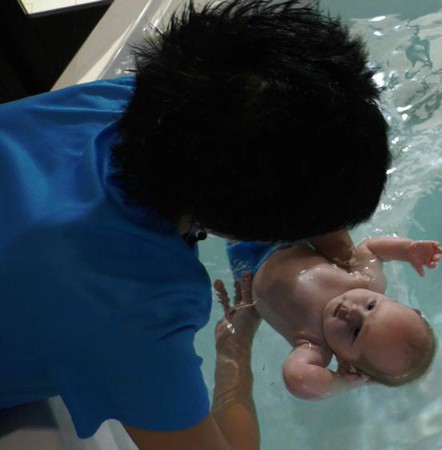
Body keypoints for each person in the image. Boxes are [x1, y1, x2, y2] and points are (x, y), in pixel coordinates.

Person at [0, 1, 391, 449]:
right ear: (251, 231)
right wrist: (235, 349)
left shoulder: (125, 103)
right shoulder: (138, 306)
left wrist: (340, 249)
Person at [218, 231, 442, 399]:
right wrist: (406, 249)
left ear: (348, 364)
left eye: (355, 332)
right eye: (371, 306)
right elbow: (370, 250)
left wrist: (343, 383)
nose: (352, 311)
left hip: (247, 259)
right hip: (289, 234)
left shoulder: (315, 346)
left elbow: (297, 379)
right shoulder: (367, 284)